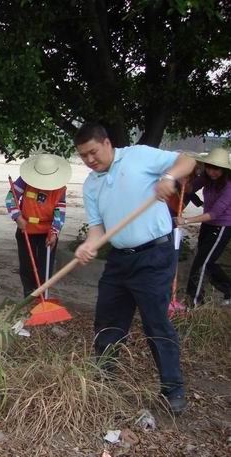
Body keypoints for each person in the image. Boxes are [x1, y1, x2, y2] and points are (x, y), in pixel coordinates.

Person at [73, 122, 196, 414]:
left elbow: (187, 161)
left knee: (156, 323)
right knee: (108, 320)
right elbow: (96, 228)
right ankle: (104, 378)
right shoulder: (91, 184)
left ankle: (173, 390)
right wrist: (88, 245)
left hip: (154, 255)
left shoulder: (138, 156)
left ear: (106, 143)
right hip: (119, 259)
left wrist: (168, 177)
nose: (90, 160)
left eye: (93, 152)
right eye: (83, 156)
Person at [5, 154, 71, 297]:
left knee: (44, 268)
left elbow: (60, 212)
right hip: (26, 229)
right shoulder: (24, 180)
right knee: (27, 266)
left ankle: (42, 296)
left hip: (47, 233)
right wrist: (17, 217)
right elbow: (11, 198)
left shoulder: (60, 188)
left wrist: (54, 232)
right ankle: (28, 295)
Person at [175, 148, 231, 306]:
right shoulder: (206, 179)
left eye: (217, 169)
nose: (212, 172)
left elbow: (214, 214)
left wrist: (186, 221)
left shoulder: (229, 187)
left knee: (202, 263)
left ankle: (194, 302)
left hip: (222, 227)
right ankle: (229, 289)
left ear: (224, 170)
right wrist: (184, 181)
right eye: (210, 167)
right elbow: (191, 188)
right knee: (207, 261)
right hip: (207, 225)